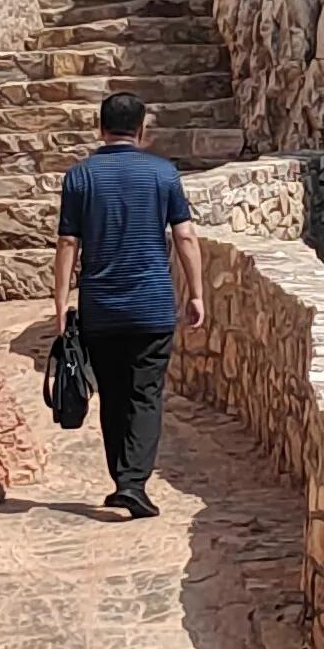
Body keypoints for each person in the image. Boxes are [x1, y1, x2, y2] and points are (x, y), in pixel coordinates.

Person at [52, 85, 203, 518]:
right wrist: (196, 293)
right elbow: (185, 235)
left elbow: (68, 242)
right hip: (152, 305)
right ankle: (133, 483)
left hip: (101, 308)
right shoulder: (163, 175)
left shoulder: (79, 177)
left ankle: (123, 479)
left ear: (100, 128)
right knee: (145, 394)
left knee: (113, 394)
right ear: (141, 129)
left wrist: (60, 302)